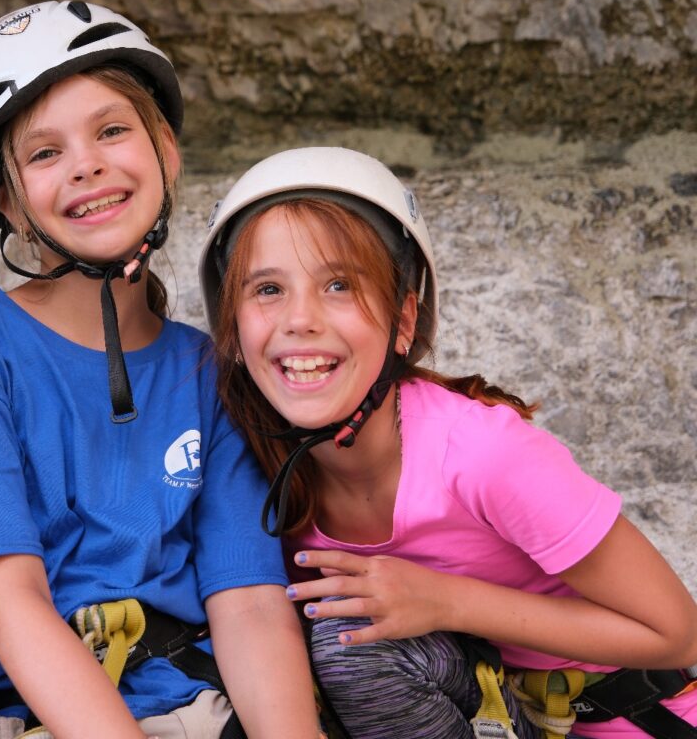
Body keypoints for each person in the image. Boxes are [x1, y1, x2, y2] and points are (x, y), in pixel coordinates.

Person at [0, 0, 319, 739]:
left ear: (166, 148)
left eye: (112, 130)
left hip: (193, 703)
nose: (87, 164)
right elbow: (10, 597)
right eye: (44, 153)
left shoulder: (212, 368)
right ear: (9, 203)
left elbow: (249, 600)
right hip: (38, 715)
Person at [197, 146, 697, 738]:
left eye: (338, 284)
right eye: (268, 290)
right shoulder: (248, 467)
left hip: (629, 721)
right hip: (474, 709)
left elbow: (676, 631)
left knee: (354, 640)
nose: (300, 319)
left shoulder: (483, 455)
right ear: (231, 329)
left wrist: (448, 601)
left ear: (404, 321)